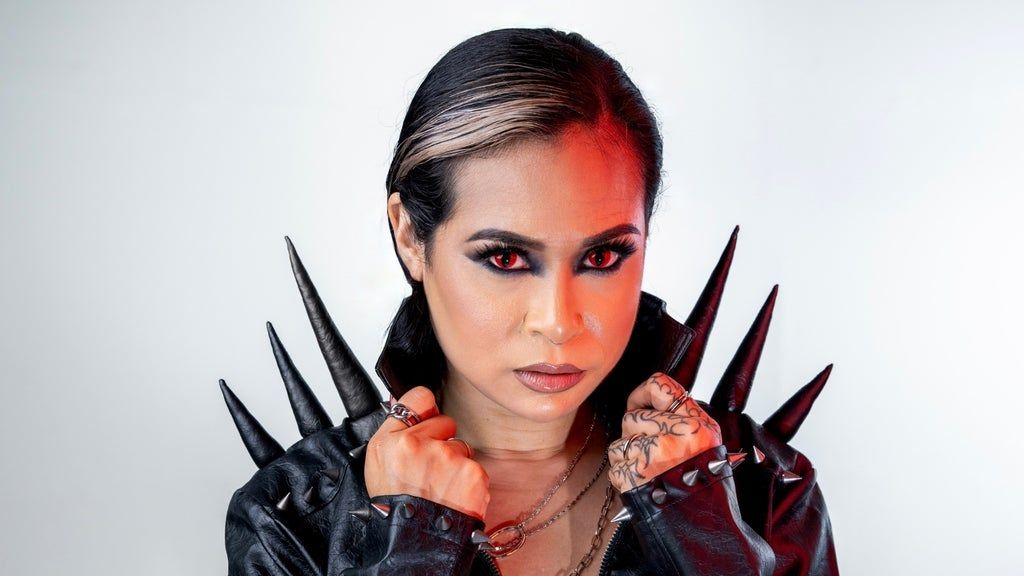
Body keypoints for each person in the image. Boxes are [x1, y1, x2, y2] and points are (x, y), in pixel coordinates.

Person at [220, 27, 839, 575]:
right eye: (506, 259)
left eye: (603, 257)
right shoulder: (295, 521)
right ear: (410, 236)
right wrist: (414, 542)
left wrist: (702, 533)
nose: (557, 323)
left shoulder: (758, 491)